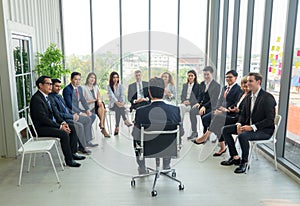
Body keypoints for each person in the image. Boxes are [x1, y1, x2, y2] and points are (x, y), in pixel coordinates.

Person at [221, 72, 276, 174]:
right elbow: (243, 114)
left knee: (243, 136)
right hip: (248, 126)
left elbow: (270, 120)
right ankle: (235, 157)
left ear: (258, 82)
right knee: (225, 130)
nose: (247, 84)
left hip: (264, 130)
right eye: (247, 81)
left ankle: (244, 162)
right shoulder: (248, 96)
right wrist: (239, 124)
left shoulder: (267, 98)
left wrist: (252, 127)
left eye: (250, 81)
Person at [132, 77, 184, 174]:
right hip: (169, 149)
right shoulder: (175, 110)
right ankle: (166, 164)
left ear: (149, 92)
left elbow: (135, 134)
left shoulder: (141, 111)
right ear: (164, 91)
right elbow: (181, 133)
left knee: (136, 137)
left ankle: (142, 167)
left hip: (148, 149)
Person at [30, 76, 85, 167]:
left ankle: (73, 153)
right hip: (41, 128)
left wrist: (63, 123)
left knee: (72, 126)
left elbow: (56, 114)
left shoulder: (47, 96)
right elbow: (44, 119)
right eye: (48, 84)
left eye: (51, 84)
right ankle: (69, 160)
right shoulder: (36, 99)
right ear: (40, 85)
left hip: (49, 125)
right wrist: (60, 127)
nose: (50, 86)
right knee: (64, 134)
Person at [192, 76, 248, 156]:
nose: (245, 85)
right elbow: (222, 101)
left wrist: (227, 110)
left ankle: (206, 137)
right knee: (210, 119)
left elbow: (245, 112)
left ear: (235, 78)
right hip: (229, 112)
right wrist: (219, 108)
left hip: (236, 117)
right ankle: (222, 147)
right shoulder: (241, 93)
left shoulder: (243, 93)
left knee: (218, 120)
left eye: (247, 83)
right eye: (243, 83)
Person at [49, 78, 92, 155]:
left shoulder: (58, 96)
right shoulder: (51, 98)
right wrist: (72, 117)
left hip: (69, 115)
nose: (59, 88)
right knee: (79, 126)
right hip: (63, 119)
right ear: (51, 86)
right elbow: (58, 114)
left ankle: (87, 141)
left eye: (60, 86)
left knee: (87, 119)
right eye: (56, 86)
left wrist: (74, 114)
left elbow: (66, 108)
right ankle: (80, 148)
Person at [63, 71, 98, 147]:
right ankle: (83, 141)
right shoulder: (67, 89)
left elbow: (83, 100)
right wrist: (80, 113)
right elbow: (69, 104)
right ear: (71, 79)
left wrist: (87, 110)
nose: (78, 81)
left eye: (79, 79)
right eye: (76, 79)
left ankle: (87, 139)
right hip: (70, 111)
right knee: (87, 119)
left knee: (92, 116)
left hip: (77, 109)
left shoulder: (79, 88)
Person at [187, 66, 221, 140]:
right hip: (202, 105)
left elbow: (213, 99)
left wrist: (204, 107)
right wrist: (198, 103)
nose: (206, 76)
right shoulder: (202, 84)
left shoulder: (217, 86)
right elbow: (200, 95)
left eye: (207, 74)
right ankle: (194, 132)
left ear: (212, 74)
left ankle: (205, 134)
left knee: (204, 115)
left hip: (211, 105)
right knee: (192, 111)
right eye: (204, 74)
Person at [82, 72, 110, 137]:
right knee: (104, 111)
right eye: (91, 77)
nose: (93, 79)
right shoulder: (83, 88)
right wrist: (94, 100)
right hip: (88, 107)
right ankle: (103, 128)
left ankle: (102, 124)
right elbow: (83, 101)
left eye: (94, 78)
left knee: (101, 104)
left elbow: (98, 96)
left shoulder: (96, 87)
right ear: (88, 78)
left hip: (96, 106)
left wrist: (99, 100)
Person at [107, 71, 132, 135]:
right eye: (114, 77)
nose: (115, 79)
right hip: (112, 104)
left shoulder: (121, 86)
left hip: (120, 105)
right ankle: (125, 120)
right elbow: (112, 96)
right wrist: (117, 102)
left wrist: (122, 102)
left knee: (118, 109)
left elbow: (122, 95)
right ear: (111, 78)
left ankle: (117, 127)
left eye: (117, 77)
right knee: (118, 107)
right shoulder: (109, 86)